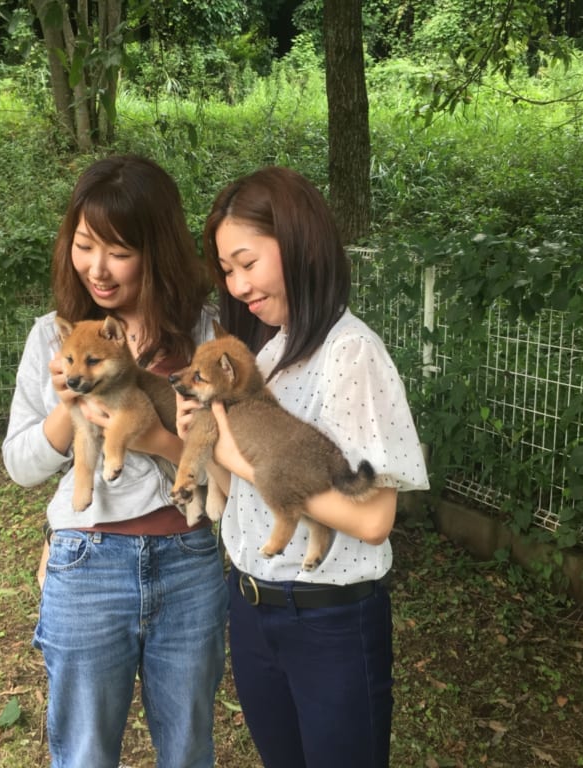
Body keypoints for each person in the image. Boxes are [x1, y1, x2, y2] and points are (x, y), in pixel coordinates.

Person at [178, 165, 429, 768]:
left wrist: (242, 458)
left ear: (299, 245)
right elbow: (233, 483)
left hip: (328, 622)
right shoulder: (268, 350)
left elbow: (372, 521)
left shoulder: (351, 353)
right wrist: (203, 444)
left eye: (247, 262)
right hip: (252, 601)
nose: (237, 285)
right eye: (227, 271)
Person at [2, 155, 229, 768]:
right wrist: (66, 402)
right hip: (88, 561)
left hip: (189, 561)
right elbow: (21, 466)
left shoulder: (207, 334)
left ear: (157, 250)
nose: (96, 269)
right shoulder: (53, 337)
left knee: (187, 750)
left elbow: (231, 471)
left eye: (119, 251)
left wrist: (156, 439)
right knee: (83, 754)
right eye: (83, 245)